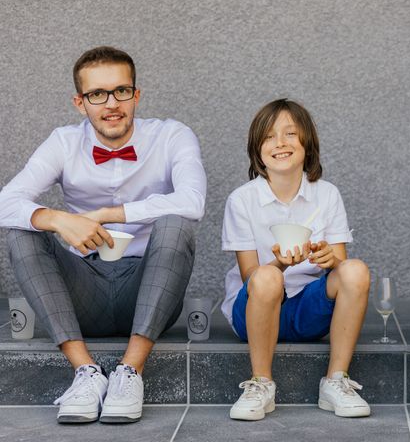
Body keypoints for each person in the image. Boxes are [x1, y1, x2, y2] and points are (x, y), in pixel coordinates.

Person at [0, 46, 206, 424]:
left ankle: (130, 372)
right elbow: (5, 202)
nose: (111, 104)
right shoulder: (63, 142)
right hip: (84, 290)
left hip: (149, 288)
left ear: (136, 94)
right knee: (22, 229)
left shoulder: (172, 135)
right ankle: (86, 373)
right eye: (97, 94)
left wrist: (111, 213)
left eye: (121, 91)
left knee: (176, 222)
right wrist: (59, 219)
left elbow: (193, 202)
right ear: (80, 103)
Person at [221, 98, 371, 421]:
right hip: (253, 310)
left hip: (305, 309)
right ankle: (261, 384)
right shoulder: (242, 200)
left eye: (290, 134)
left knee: (356, 270)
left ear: (307, 144)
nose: (280, 144)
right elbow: (251, 277)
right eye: (270, 136)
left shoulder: (327, 194)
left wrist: (327, 258)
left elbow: (341, 268)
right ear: (257, 149)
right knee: (268, 277)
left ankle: (336, 382)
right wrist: (280, 264)